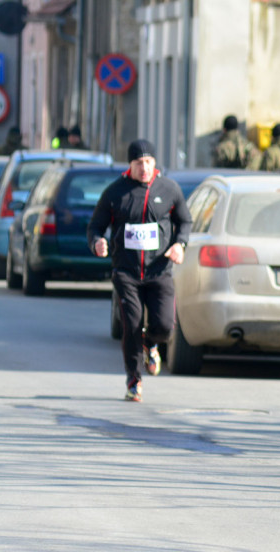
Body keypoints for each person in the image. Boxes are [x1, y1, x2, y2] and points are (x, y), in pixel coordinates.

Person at [87, 139, 193, 403]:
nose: (144, 168)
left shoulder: (169, 189)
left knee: (166, 326)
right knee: (131, 325)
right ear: (130, 165)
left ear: (155, 163)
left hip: (159, 271)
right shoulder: (115, 193)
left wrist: (180, 244)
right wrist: (97, 242)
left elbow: (185, 221)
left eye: (148, 162)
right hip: (127, 272)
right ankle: (134, 381)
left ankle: (152, 342)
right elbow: (95, 226)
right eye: (138, 163)